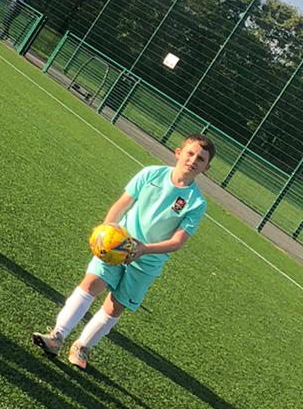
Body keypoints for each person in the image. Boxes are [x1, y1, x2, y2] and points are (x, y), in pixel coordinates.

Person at [32, 136, 214, 370]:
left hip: (148, 261)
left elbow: (178, 241)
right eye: (190, 153)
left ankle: (82, 347)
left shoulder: (196, 202)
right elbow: (122, 203)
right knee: (91, 284)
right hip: (117, 247)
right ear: (178, 153)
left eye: (200, 159)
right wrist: (106, 232)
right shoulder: (151, 174)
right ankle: (57, 337)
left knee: (115, 305)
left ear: (206, 168)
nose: (193, 160)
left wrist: (144, 249)